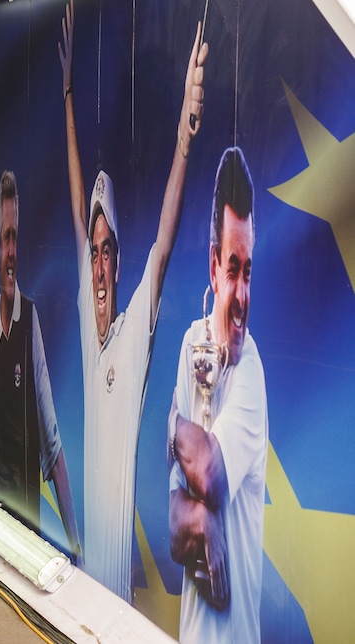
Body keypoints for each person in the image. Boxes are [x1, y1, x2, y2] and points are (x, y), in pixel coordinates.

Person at [57, 0, 208, 600]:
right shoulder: (84, 326)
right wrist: (67, 97)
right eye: (92, 251)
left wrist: (183, 141)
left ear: (119, 262)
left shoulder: (133, 330)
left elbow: (165, 245)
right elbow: (75, 209)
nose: (98, 264)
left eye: (106, 250)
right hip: (85, 594)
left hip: (117, 599)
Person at [168, 146, 267, 643]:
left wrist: (175, 431)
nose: (243, 293)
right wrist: (204, 527)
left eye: (249, 271)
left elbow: (208, 475)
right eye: (233, 270)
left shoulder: (251, 369)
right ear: (212, 266)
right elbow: (172, 528)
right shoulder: (191, 346)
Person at [0, 170, 81, 560]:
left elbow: (52, 444)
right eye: (5, 239)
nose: (11, 249)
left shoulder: (29, 320)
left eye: (16, 237)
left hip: (27, 538)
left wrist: (75, 547)